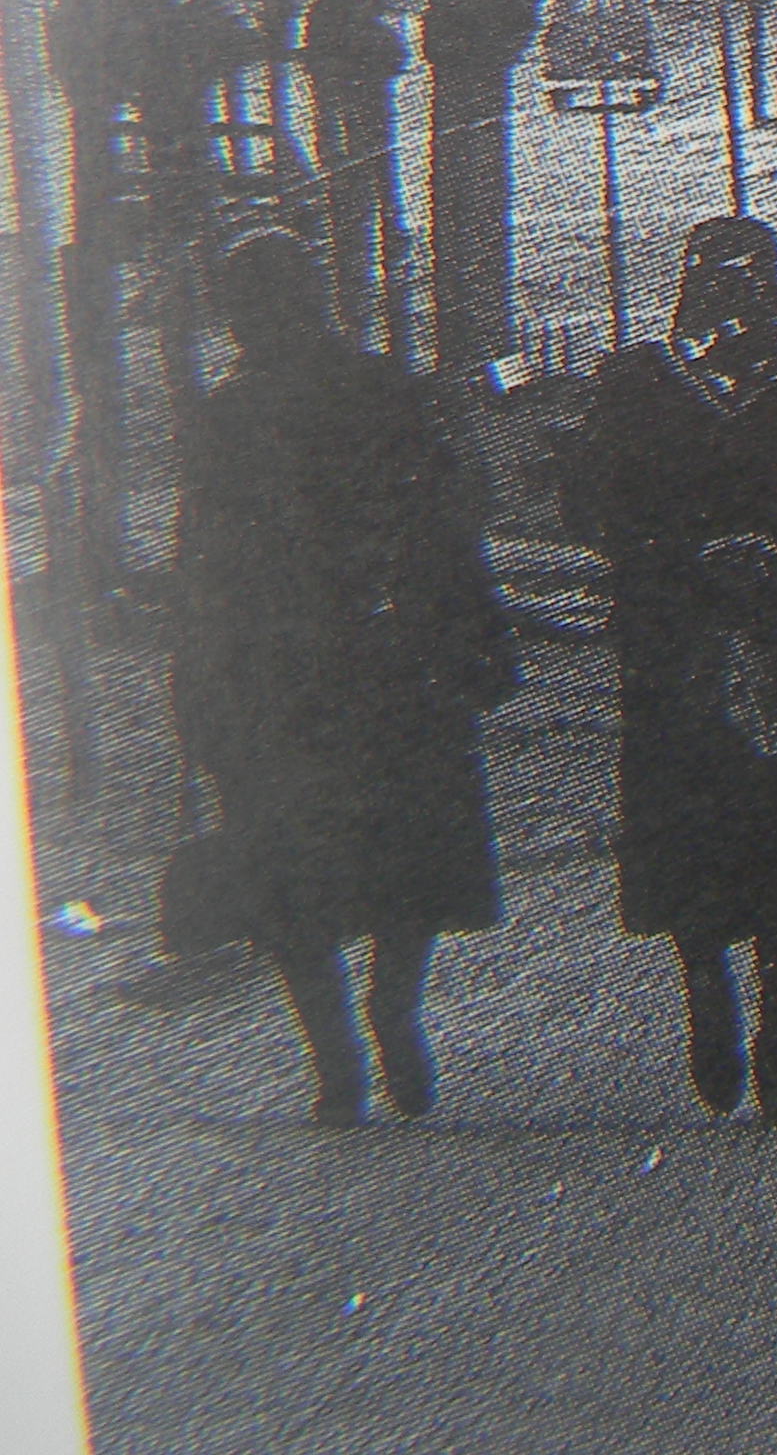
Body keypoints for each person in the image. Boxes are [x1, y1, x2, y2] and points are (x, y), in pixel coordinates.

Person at [569, 217, 777, 1123]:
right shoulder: (637, 384)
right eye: (717, 279)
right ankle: (704, 983)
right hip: (679, 648)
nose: (737, 297)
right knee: (689, 833)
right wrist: (684, 559)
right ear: (684, 285)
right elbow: (590, 505)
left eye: (753, 278)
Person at [170, 227, 514, 1125]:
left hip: (276, 673)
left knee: (290, 866)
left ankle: (335, 1059)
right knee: (406, 852)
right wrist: (481, 633)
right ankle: (392, 1006)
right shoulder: (385, 388)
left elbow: (200, 561)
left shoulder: (222, 413)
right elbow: (449, 523)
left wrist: (197, 681)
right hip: (391, 660)